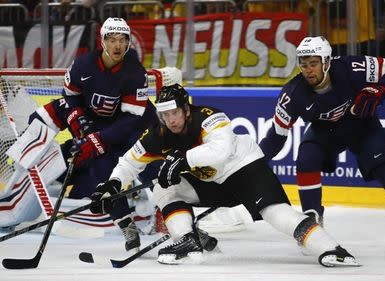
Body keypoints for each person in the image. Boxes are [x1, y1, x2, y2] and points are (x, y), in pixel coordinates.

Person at [89, 83, 360, 267]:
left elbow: (221, 150)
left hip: (244, 169)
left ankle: (332, 249)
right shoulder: (157, 135)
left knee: (276, 214)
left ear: (185, 108)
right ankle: (187, 241)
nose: (170, 120)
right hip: (212, 183)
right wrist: (111, 185)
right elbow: (128, 163)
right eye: (164, 114)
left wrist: (183, 159)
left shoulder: (208, 116)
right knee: (163, 186)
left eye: (174, 113)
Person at [259, 36, 385, 256]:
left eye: (313, 64)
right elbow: (276, 138)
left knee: (384, 168)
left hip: (363, 128)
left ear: (327, 61)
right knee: (307, 157)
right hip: (325, 133)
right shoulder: (293, 93)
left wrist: (378, 91)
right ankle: (312, 221)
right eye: (304, 64)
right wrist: (253, 162)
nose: (308, 70)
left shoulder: (352, 68)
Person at [28, 17, 159, 252]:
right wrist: (82, 125)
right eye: (112, 39)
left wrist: (99, 139)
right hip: (96, 122)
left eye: (122, 40)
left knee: (135, 163)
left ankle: (162, 210)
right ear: (102, 41)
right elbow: (70, 97)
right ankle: (37, 182)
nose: (117, 45)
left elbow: (131, 120)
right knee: (38, 120)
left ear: (128, 43)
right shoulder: (83, 65)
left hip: (129, 127)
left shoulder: (134, 73)